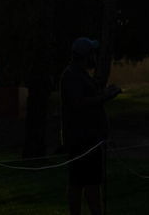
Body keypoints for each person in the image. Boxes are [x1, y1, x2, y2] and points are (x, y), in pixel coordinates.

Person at [60, 37, 121, 215]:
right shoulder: (71, 76)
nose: (94, 57)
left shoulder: (81, 75)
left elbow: (88, 98)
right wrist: (105, 97)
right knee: (82, 184)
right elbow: (79, 104)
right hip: (82, 140)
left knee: (86, 182)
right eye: (92, 53)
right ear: (85, 56)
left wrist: (105, 93)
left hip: (89, 138)